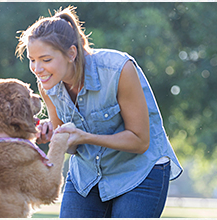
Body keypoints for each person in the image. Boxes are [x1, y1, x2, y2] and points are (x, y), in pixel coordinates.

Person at [15, 6, 183, 218]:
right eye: (32, 59)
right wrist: (52, 134)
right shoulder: (48, 85)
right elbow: (69, 144)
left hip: (139, 173)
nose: (37, 69)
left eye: (45, 60)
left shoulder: (118, 70)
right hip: (88, 176)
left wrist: (86, 137)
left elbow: (140, 141)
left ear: (71, 53)